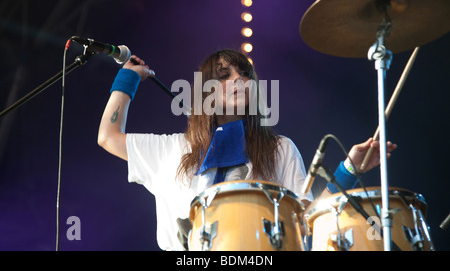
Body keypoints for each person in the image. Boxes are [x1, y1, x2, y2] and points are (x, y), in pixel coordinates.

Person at [97, 49, 397, 251]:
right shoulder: (171, 149)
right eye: (225, 75)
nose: (239, 79)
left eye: (244, 74)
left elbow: (306, 224)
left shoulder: (279, 149)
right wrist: (129, 78)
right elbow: (108, 137)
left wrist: (347, 171)